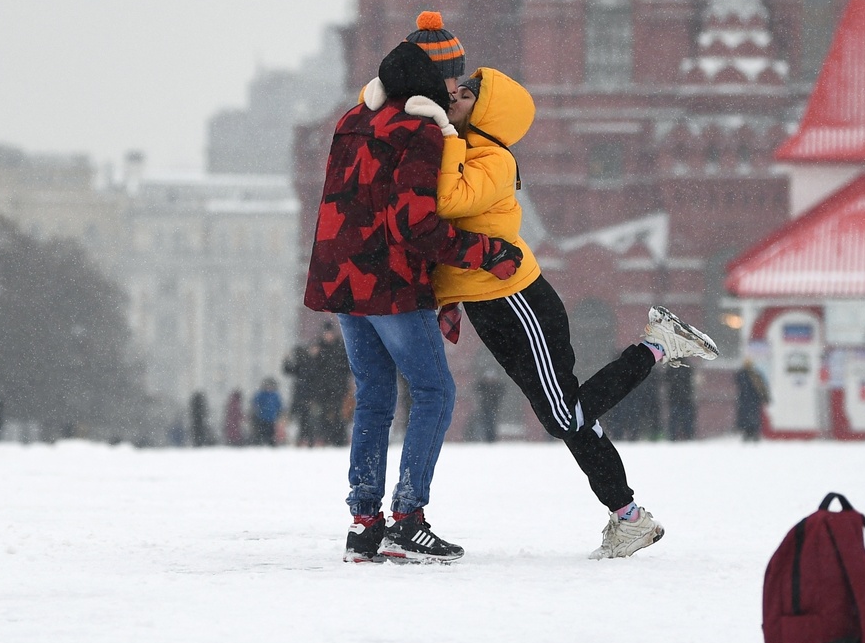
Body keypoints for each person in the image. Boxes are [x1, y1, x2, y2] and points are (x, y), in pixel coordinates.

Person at [394, 64, 719, 558]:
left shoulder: (491, 158)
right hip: (492, 306)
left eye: (468, 92)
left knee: (565, 415)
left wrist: (442, 132)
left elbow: (447, 200)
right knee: (570, 418)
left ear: (488, 111)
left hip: (516, 301)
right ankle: (628, 516)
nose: (456, 93)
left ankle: (655, 347)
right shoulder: (464, 149)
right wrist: (451, 300)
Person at [304, 39, 523, 564]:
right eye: (449, 82)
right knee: (434, 392)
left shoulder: (352, 119)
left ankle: (364, 523)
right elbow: (415, 224)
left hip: (342, 277)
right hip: (391, 281)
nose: (454, 92)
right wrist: (485, 252)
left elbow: (348, 200)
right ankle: (408, 517)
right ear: (428, 85)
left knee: (374, 396)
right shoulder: (420, 130)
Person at [735, 359, 771, 441]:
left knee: (747, 417)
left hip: (746, 400)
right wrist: (765, 397)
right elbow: (761, 387)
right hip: (753, 400)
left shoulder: (742, 374)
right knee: (752, 417)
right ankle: (752, 433)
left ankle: (748, 433)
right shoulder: (754, 374)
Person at [474, 364, 506, 442]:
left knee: (492, 421)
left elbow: (502, 391)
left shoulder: (497, 386)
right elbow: (477, 389)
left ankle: (491, 437)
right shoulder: (483, 386)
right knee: (486, 421)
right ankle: (487, 436)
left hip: (494, 406)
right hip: (485, 406)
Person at [666, 365, 697, 441]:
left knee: (675, 418)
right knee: (686, 419)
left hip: (676, 397)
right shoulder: (687, 367)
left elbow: (666, 379)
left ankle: (674, 436)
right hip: (685, 397)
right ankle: (688, 436)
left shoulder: (672, 367)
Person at [250, 378, 284, 446]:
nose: (269, 387)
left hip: (272, 418)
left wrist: (280, 413)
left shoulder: (275, 395)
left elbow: (279, 405)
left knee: (271, 432)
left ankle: (271, 443)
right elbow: (255, 403)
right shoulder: (261, 394)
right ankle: (260, 443)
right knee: (261, 431)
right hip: (262, 417)